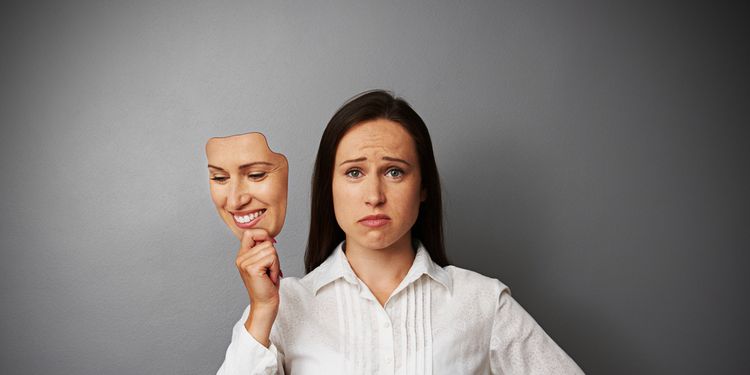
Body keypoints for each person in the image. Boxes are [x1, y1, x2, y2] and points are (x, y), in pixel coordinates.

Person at [216, 90, 583, 374]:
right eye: (354, 173)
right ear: (328, 188)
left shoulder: (481, 302)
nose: (374, 196)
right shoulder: (286, 306)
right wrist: (262, 310)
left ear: (423, 186)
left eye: (394, 172)